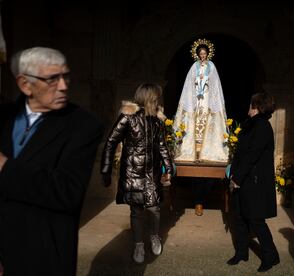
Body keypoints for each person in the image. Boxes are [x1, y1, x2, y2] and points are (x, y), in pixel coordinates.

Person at [0, 47, 103, 275]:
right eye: (52, 79)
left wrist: (5, 167)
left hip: (44, 254)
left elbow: (67, 192)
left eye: (65, 76)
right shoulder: (3, 118)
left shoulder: (83, 125)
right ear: (25, 85)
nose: (64, 86)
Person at [101, 83, 173, 264]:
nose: (158, 100)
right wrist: (106, 169)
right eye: (156, 97)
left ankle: (154, 236)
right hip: (133, 172)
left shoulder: (156, 120)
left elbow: (162, 145)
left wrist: (169, 168)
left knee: (155, 207)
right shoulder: (128, 117)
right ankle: (138, 244)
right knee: (137, 210)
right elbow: (111, 141)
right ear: (149, 97)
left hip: (152, 173)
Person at [173, 38, 228, 215]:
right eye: (200, 54)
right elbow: (188, 88)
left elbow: (216, 89)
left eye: (205, 54)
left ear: (208, 54)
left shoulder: (212, 67)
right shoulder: (193, 68)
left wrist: (207, 83)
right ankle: (197, 199)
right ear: (197, 54)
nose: (203, 56)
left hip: (208, 107)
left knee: (208, 165)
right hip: (196, 106)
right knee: (193, 167)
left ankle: (201, 199)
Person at [227, 92, 280, 273]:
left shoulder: (262, 127)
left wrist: (237, 178)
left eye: (251, 105)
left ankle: (271, 256)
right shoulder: (249, 125)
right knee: (239, 217)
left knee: (257, 221)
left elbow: (252, 156)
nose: (248, 107)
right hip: (243, 178)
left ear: (257, 107)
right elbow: (240, 154)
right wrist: (233, 174)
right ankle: (242, 252)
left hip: (254, 182)